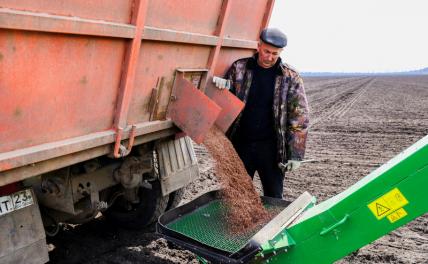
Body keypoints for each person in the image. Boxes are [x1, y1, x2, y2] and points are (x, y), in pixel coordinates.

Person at [213, 28, 309, 198]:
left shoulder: (290, 77)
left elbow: (299, 118)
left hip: (271, 149)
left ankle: (273, 224)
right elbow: (225, 101)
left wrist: (296, 154)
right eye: (266, 51)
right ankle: (238, 225)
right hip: (241, 145)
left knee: (274, 196)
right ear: (258, 46)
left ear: (281, 52)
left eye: (274, 53)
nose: (269, 57)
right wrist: (220, 86)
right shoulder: (239, 68)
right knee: (237, 196)